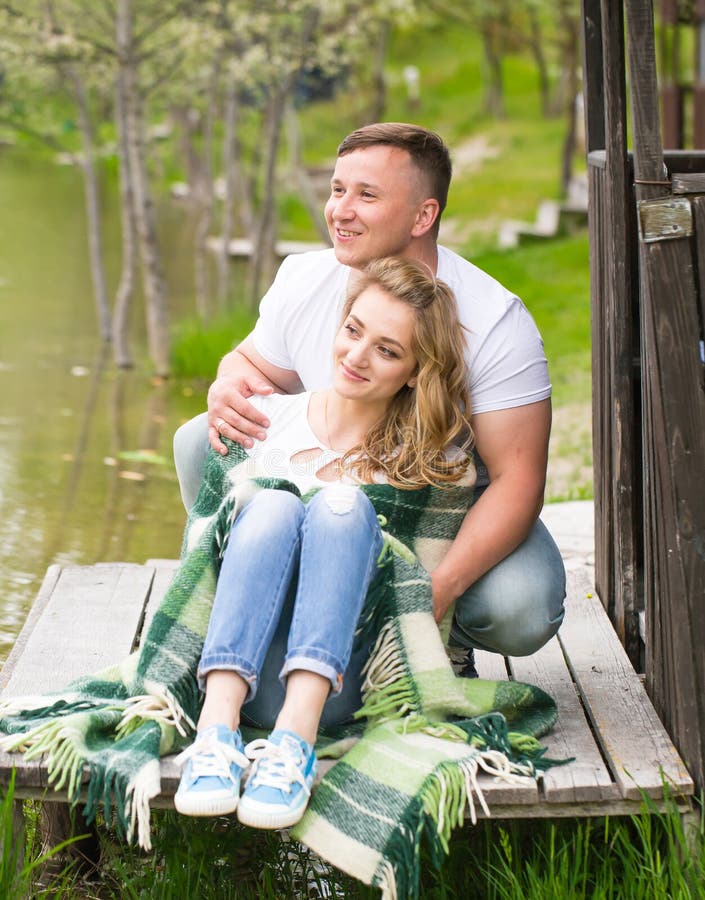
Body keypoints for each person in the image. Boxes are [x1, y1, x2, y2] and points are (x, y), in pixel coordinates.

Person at [173, 122, 566, 676]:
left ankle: (441, 646)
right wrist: (226, 381)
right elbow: (251, 365)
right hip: (328, 485)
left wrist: (434, 592)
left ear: (423, 216)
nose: (340, 210)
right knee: (199, 438)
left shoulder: (496, 322)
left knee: (521, 608)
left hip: (439, 509)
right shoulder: (304, 276)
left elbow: (518, 480)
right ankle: (244, 607)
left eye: (366, 195)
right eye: (337, 189)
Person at [173, 257, 475, 829]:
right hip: (234, 670)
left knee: (342, 507)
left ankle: (295, 744)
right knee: (273, 504)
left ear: (416, 371)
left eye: (387, 350)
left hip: (346, 688)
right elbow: (202, 561)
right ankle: (215, 735)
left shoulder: (434, 467)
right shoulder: (258, 422)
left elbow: (416, 608)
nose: (357, 356)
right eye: (353, 330)